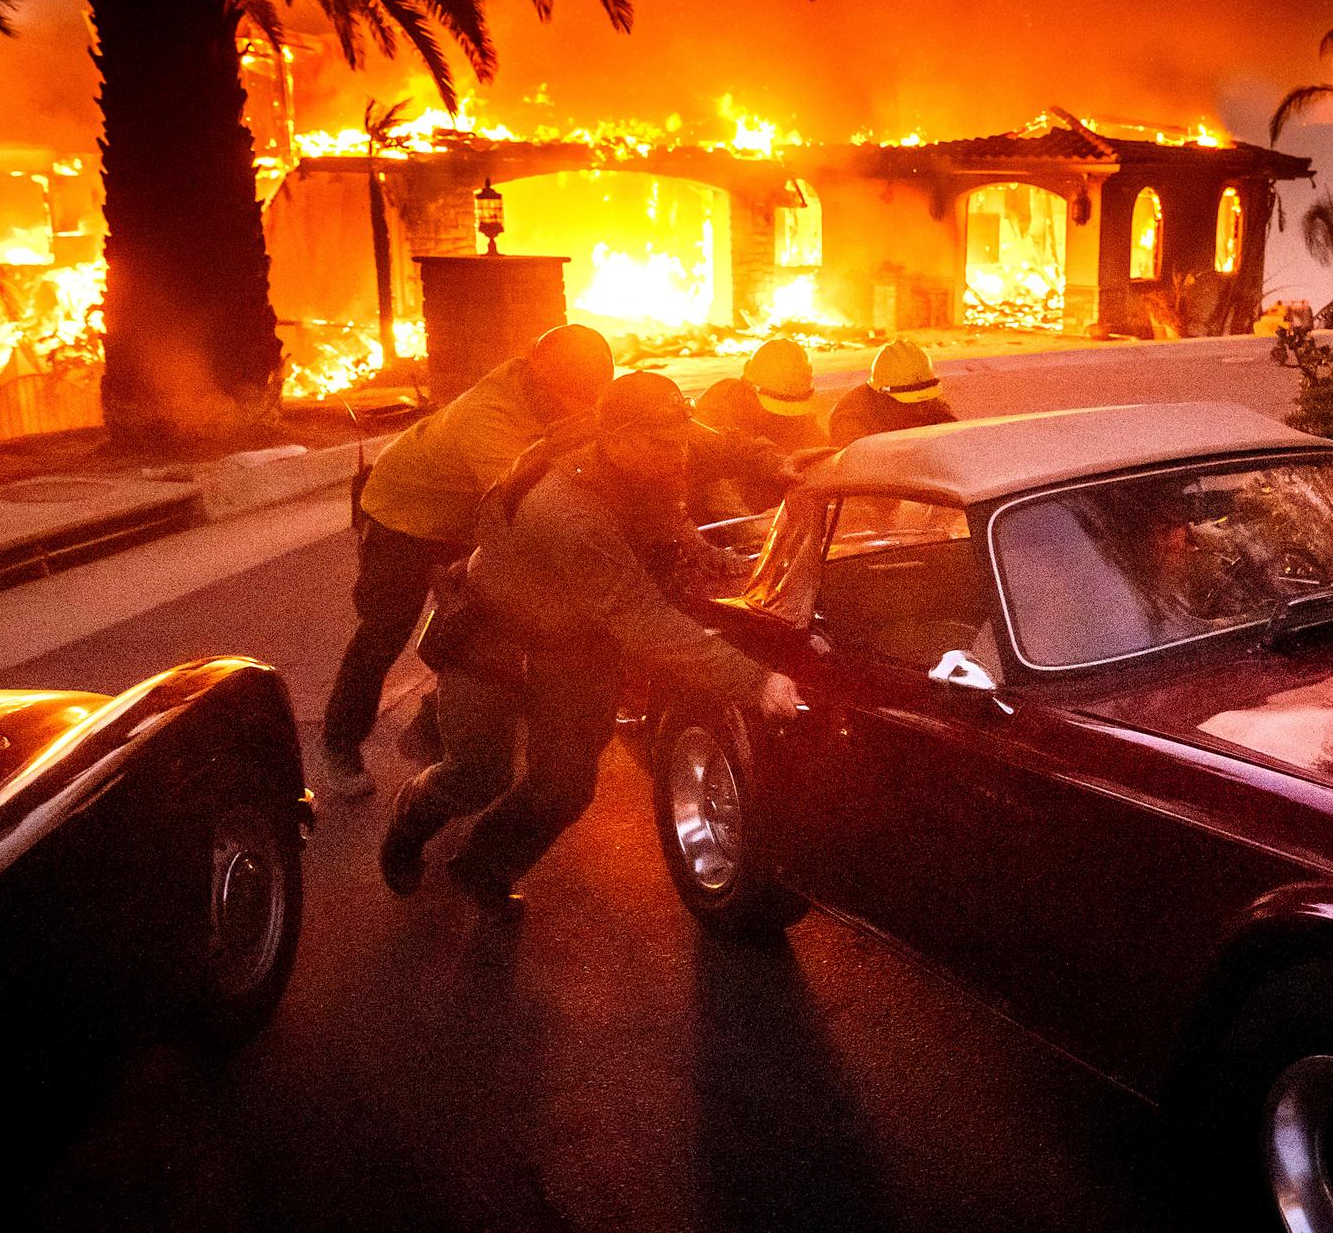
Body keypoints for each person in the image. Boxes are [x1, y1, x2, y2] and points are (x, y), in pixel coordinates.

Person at [378, 372, 803, 914]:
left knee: (566, 785)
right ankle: (408, 823)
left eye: (677, 438)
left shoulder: (643, 441)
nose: (679, 455)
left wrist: (770, 462)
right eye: (662, 444)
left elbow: (708, 438)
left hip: (574, 640)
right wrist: (754, 680)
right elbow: (642, 619)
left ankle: (486, 863)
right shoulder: (568, 513)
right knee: (476, 774)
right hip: (493, 634)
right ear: (619, 439)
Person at [320, 324, 614, 800]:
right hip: (403, 516)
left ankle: (433, 725)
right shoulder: (489, 420)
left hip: (467, 513)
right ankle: (339, 744)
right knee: (384, 632)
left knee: (489, 623)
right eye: (572, 399)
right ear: (542, 380)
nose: (581, 410)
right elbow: (532, 504)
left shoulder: (556, 380)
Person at [691, 336, 828, 520]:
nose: (782, 416)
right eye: (774, 406)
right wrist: (755, 530)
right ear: (748, 388)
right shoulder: (718, 407)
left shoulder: (799, 412)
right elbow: (717, 485)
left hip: (780, 512)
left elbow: (819, 458)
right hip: (738, 518)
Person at [828, 338, 957, 446]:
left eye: (923, 401)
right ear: (881, 395)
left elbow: (955, 443)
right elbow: (863, 470)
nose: (920, 411)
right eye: (909, 403)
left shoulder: (930, 404)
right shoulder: (851, 418)